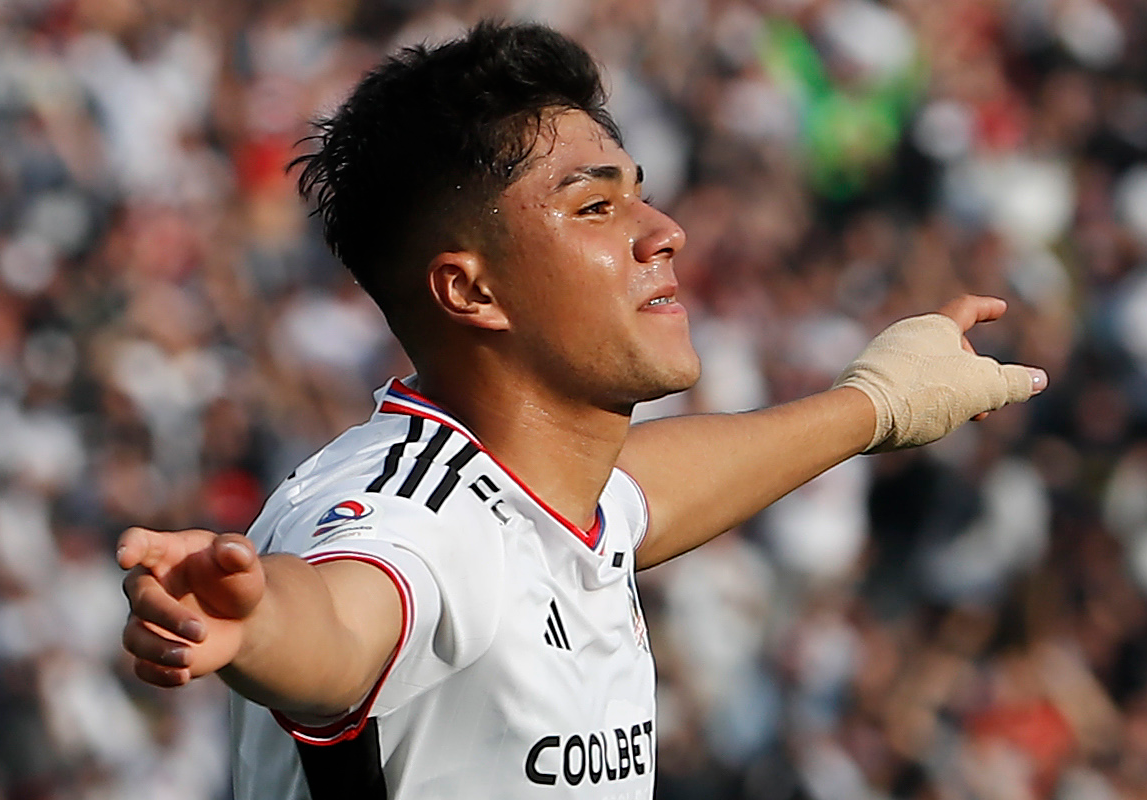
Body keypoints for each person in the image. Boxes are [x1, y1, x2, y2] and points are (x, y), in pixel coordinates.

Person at [117, 20, 1048, 800]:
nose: (663, 232)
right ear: (470, 292)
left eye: (638, 193)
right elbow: (345, 615)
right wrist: (259, 629)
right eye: (596, 208)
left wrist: (874, 405)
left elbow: (639, 495)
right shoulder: (411, 518)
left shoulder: (546, 489)